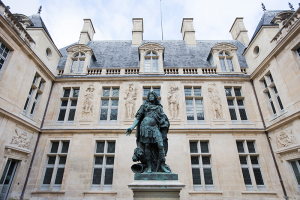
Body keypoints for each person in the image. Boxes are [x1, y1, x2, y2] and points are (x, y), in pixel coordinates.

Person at [125, 91, 171, 173]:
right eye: (149, 96)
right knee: (147, 147)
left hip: (155, 128)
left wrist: (163, 120)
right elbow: (138, 118)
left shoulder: (159, 108)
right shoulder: (144, 106)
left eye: (152, 95)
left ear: (155, 97)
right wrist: (132, 127)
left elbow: (163, 116)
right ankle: (149, 167)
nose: (151, 97)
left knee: (161, 145)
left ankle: (162, 165)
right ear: (148, 98)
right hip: (145, 128)